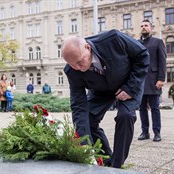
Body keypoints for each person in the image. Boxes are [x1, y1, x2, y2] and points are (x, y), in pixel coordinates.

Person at [61, 29, 149, 168]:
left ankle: (116, 166)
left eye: (79, 62)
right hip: (101, 90)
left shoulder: (114, 39)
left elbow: (142, 54)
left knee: (125, 116)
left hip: (129, 82)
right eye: (72, 65)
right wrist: (85, 146)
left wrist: (131, 87)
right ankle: (106, 159)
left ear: (88, 48)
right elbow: (78, 106)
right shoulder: (72, 71)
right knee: (88, 119)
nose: (78, 68)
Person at [137, 19, 167, 142]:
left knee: (155, 108)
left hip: (154, 80)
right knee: (142, 108)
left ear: (151, 28)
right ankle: (145, 132)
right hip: (140, 81)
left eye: (146, 25)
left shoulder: (158, 42)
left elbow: (162, 61)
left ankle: (157, 132)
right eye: (142, 25)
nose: (144, 27)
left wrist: (161, 78)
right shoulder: (137, 43)